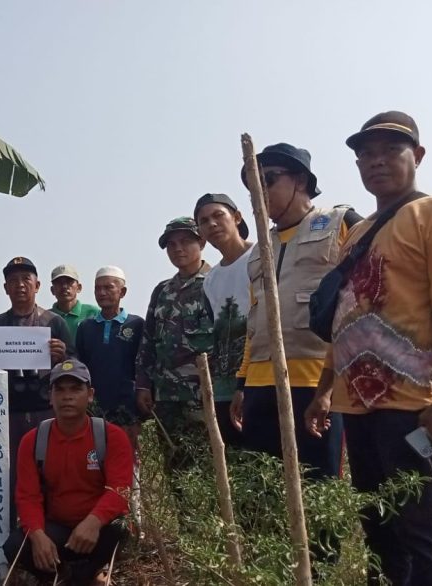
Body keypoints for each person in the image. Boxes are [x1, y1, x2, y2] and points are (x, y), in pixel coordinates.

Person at [305, 111, 432, 585]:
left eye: (389, 150)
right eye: (366, 154)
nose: (376, 161)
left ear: (417, 156)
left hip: (412, 405)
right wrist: (324, 391)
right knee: (379, 530)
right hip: (356, 408)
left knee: (425, 533)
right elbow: (345, 318)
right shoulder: (358, 233)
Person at [232, 144, 361, 482]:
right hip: (259, 387)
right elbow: (254, 324)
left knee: (318, 488)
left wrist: (330, 389)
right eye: (252, 188)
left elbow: (365, 303)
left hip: (314, 383)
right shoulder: (258, 251)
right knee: (261, 490)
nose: (259, 194)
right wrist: (242, 384)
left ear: (301, 180)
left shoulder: (341, 223)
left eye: (268, 180)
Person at [3, 359, 132, 586]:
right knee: (15, 546)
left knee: (119, 529)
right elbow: (27, 496)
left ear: (90, 395)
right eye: (60, 390)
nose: (67, 396)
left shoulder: (112, 436)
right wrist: (37, 535)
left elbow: (120, 490)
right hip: (57, 528)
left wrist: (94, 521)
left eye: (75, 389)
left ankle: (88, 573)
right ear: (50, 397)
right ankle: (63, 576)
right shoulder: (33, 440)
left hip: (98, 529)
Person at [0, 257, 73, 522]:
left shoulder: (54, 323)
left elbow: (75, 368)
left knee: (51, 472)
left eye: (25, 279)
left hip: (45, 411)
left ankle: (53, 528)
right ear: (5, 288)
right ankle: (10, 532)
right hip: (8, 414)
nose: (20, 285)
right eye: (13, 280)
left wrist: (63, 356)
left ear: (37, 285)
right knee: (10, 475)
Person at [135, 218, 214, 474]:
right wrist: (143, 384)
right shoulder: (162, 291)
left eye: (185, 241)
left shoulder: (215, 282)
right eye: (171, 244)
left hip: (203, 395)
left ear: (202, 242)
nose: (178, 249)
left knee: (207, 467)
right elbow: (148, 340)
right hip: (166, 396)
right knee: (175, 468)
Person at [194, 193, 253, 447]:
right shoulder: (211, 279)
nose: (212, 224)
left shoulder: (261, 256)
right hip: (224, 385)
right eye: (204, 221)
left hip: (259, 378)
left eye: (218, 215)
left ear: (237, 217)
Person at [75, 266, 143, 448]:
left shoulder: (137, 324)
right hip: (95, 407)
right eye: (97, 288)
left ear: (123, 292)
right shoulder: (86, 327)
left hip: (128, 408)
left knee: (127, 457)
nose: (102, 293)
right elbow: (80, 366)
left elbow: (144, 365)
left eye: (108, 287)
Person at [49, 264, 100, 344]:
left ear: (79, 287)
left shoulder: (94, 313)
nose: (64, 286)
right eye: (59, 283)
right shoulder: (45, 317)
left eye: (69, 282)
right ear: (52, 290)